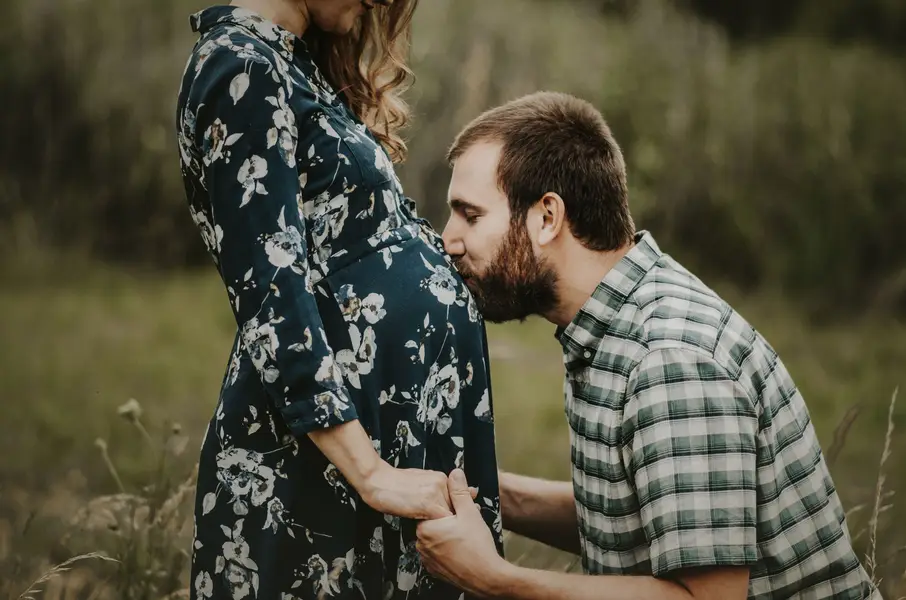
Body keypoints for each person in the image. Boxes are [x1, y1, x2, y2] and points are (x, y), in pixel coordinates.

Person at [414, 91, 881, 600]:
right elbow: (640, 514)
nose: (448, 239)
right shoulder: (613, 323)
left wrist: (496, 579)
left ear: (547, 217)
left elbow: (704, 599)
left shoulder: (670, 360)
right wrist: (483, 489)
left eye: (470, 215)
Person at [174, 1, 503, 598]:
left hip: (378, 423)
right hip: (326, 458)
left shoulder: (292, 63)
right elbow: (272, 296)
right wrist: (372, 474)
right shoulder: (240, 67)